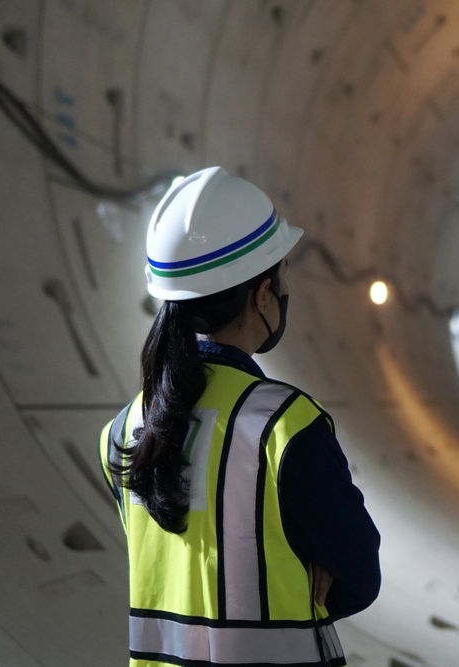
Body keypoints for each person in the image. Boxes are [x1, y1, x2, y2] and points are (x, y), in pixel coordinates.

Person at [98, 167, 380, 667]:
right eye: (283, 274)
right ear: (262, 295)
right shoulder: (287, 427)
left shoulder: (124, 430)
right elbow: (359, 574)